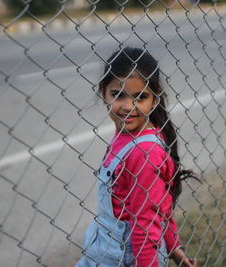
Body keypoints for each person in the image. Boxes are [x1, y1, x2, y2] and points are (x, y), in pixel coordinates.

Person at [77, 47, 198, 267]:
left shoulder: (145, 154)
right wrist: (174, 248)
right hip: (103, 250)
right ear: (103, 91)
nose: (128, 107)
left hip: (124, 259)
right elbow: (161, 205)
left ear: (155, 97)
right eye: (118, 94)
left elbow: (146, 223)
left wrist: (167, 249)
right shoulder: (127, 133)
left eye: (140, 97)